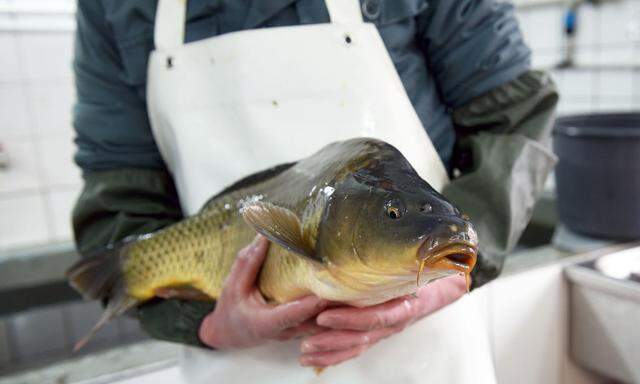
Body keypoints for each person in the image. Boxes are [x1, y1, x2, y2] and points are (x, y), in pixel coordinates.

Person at [71, 0, 558, 382]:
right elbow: (120, 186)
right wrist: (206, 325)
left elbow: (514, 123)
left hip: (424, 359)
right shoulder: (111, 6)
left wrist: (458, 269)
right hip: (239, 369)